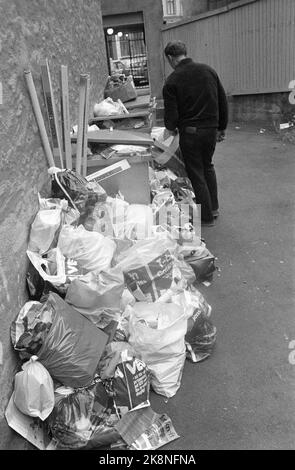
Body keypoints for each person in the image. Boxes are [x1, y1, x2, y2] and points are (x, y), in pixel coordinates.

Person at [162, 40, 228, 226]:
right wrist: (221, 127)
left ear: (170, 57)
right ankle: (214, 208)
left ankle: (206, 217)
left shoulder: (172, 81)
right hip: (210, 131)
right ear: (185, 52)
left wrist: (169, 129)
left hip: (190, 133)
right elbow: (222, 101)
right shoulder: (208, 71)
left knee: (196, 172)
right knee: (208, 166)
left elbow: (171, 115)